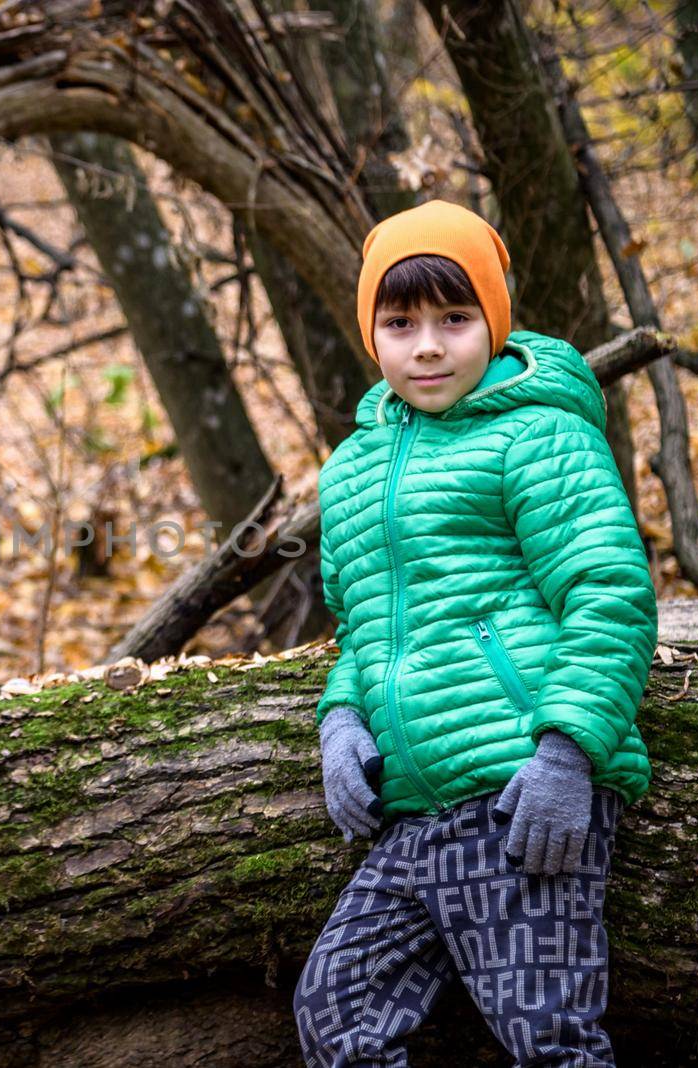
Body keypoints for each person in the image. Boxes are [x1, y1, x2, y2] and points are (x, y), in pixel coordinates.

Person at [292, 199, 657, 1066]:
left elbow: (610, 593)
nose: (427, 345)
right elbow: (361, 631)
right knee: (335, 1013)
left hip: (517, 792)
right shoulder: (352, 470)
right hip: (413, 815)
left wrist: (567, 754)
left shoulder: (537, 437)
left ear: (492, 323)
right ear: (370, 331)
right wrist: (341, 722)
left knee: (549, 1038)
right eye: (401, 320)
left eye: (455, 319)